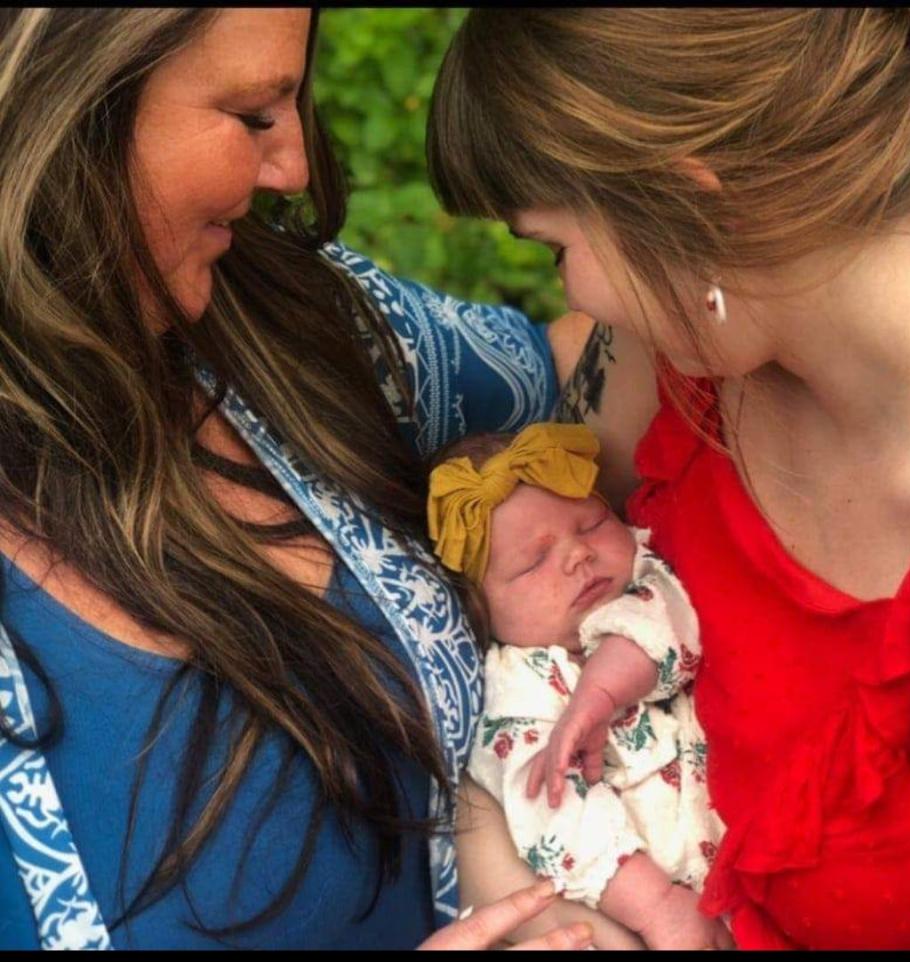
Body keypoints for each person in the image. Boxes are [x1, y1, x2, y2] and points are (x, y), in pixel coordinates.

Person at [0, 7, 604, 950]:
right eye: (251, 115)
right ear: (65, 110)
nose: (293, 169)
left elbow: (577, 359)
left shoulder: (281, 323)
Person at [426, 7, 910, 950]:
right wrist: (538, 910)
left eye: (557, 249)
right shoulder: (670, 354)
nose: (572, 298)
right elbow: (508, 716)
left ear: (689, 203)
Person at [426, 421, 729, 949]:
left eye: (590, 525)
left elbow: (672, 624)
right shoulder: (518, 690)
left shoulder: (648, 584)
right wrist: (655, 904)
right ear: (481, 611)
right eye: (534, 561)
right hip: (654, 911)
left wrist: (604, 688)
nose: (577, 554)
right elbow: (554, 813)